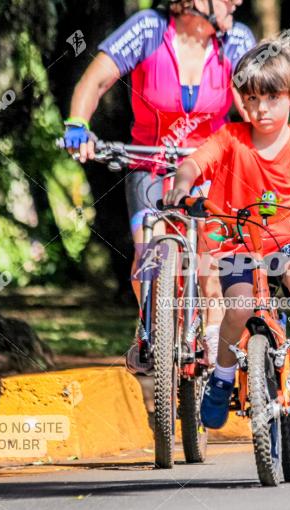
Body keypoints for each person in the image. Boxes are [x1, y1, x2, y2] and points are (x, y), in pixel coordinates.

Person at [164, 40, 290, 429]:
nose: (261, 108)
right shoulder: (229, 139)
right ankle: (221, 378)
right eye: (251, 98)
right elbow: (192, 165)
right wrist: (182, 188)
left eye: (271, 97)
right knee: (238, 307)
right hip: (239, 245)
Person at [61, 0, 255, 372]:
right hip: (149, 163)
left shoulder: (236, 39)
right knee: (146, 255)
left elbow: (252, 103)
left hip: (208, 168)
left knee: (209, 262)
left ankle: (214, 341)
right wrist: (77, 125)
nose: (237, 1)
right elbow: (95, 80)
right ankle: (150, 325)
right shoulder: (149, 29)